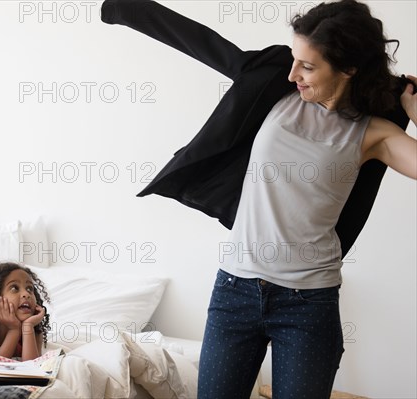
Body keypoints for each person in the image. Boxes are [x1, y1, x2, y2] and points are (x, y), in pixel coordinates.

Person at [101, 0, 416, 398]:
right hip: (235, 291)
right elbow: (201, 42)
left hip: (308, 304)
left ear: (348, 67)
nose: (293, 72)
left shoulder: (374, 133)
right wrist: (123, 8)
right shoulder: (274, 87)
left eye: (307, 65)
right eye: (294, 58)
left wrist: (415, 109)